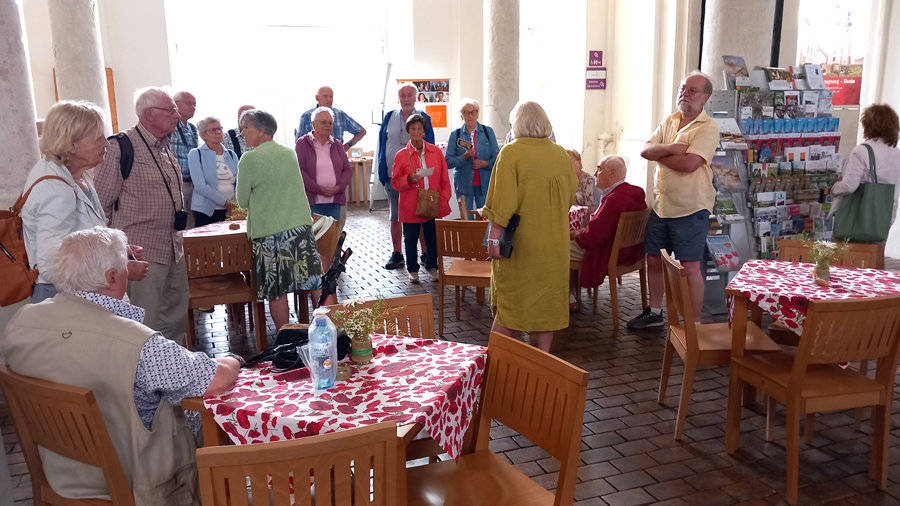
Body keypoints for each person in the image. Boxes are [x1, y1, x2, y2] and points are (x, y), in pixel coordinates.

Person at [3, 226, 241, 505]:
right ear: (112, 277)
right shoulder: (138, 344)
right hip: (136, 484)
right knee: (213, 416)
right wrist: (234, 359)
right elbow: (218, 379)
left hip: (59, 472)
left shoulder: (22, 323)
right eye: (125, 264)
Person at [21, 100, 148, 303]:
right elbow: (50, 265)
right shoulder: (54, 189)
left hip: (83, 295)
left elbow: (81, 237)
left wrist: (114, 252)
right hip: (64, 301)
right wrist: (121, 268)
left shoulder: (77, 174)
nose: (106, 143)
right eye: (98, 138)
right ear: (72, 144)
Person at [95, 86, 191, 346]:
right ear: (149, 113)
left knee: (175, 318)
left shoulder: (165, 147)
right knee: (144, 325)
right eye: (171, 109)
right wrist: (118, 254)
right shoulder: (120, 147)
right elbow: (100, 205)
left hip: (173, 248)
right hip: (141, 252)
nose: (177, 114)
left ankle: (173, 369)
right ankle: (144, 372)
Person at [627, 71, 719, 330]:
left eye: (692, 90)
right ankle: (655, 313)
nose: (684, 93)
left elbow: (690, 164)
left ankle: (694, 325)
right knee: (653, 260)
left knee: (689, 267)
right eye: (682, 88)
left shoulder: (707, 128)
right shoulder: (670, 121)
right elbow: (645, 150)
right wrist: (672, 149)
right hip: (661, 207)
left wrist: (659, 153)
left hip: (690, 208)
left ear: (705, 97)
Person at [483, 101, 578, 352]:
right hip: (554, 245)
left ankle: (496, 362)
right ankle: (542, 359)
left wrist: (492, 241)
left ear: (517, 123)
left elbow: (502, 204)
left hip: (521, 245)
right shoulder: (560, 153)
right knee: (546, 304)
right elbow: (570, 196)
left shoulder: (511, 153)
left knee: (510, 305)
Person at [236, 109, 324, 332]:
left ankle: (286, 339)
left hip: (269, 233)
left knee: (276, 290)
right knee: (315, 282)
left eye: (245, 127)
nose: (242, 132)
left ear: (261, 131)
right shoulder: (288, 153)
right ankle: (329, 331)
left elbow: (242, 201)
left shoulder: (248, 159)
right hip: (299, 228)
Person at [569, 156, 647, 312]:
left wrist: (577, 234)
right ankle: (571, 293)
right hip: (631, 252)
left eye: (599, 168)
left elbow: (593, 238)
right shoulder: (633, 193)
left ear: (612, 173)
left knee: (557, 248)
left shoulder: (615, 199)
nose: (595, 173)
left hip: (610, 254)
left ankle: (568, 296)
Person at [378, 82, 435, 270]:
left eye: (410, 95)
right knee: (395, 216)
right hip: (394, 177)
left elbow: (431, 147)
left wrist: (427, 175)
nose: (406, 99)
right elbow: (382, 144)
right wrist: (382, 171)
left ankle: (425, 254)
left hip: (419, 178)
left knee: (421, 215)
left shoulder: (424, 118)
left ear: (416, 97)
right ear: (398, 98)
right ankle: (397, 254)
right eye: (403, 95)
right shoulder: (389, 117)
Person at [390, 114, 452, 283]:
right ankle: (413, 270)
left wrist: (443, 199)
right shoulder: (401, 155)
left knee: (432, 238)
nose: (416, 132)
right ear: (408, 131)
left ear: (424, 131)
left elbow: (444, 179)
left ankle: (433, 267)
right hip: (410, 204)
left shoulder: (436, 152)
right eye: (413, 128)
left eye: (419, 128)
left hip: (432, 202)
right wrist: (408, 179)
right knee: (410, 239)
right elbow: (395, 182)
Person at [831, 103, 900, 228]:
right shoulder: (896, 152)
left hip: (857, 218)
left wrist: (834, 188)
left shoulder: (862, 151)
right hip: (883, 217)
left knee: (845, 242)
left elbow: (849, 186)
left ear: (868, 125)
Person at [296, 107, 353, 222]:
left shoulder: (337, 144)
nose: (327, 125)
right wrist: (318, 189)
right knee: (315, 232)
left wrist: (339, 187)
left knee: (332, 232)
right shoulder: (302, 143)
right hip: (312, 201)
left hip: (335, 200)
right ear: (313, 124)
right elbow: (299, 171)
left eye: (330, 123)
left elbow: (347, 170)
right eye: (323, 122)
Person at [446, 99, 499, 214]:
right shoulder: (455, 134)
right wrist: (464, 157)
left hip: (485, 185)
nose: (470, 116)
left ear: (478, 114)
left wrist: (485, 163)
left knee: (484, 218)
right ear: (461, 115)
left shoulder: (488, 132)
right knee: (466, 219)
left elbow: (497, 158)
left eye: (473, 112)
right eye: (466, 112)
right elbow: (448, 162)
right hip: (463, 185)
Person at [188, 117, 239, 227]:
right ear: (204, 135)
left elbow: (239, 181)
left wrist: (234, 201)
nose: (218, 132)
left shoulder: (231, 154)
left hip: (231, 209)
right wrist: (225, 202)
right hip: (206, 211)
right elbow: (200, 186)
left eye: (219, 128)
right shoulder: (196, 154)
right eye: (213, 130)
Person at [295, 86, 367, 151]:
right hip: (314, 157)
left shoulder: (340, 115)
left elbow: (362, 132)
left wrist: (347, 145)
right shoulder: (306, 116)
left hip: (336, 156)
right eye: (325, 96)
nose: (329, 99)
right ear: (317, 98)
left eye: (331, 96)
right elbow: (298, 143)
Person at [168, 91, 199, 229]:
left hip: (192, 183)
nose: (193, 107)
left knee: (191, 225)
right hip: (174, 184)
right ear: (175, 104)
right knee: (177, 225)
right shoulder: (169, 126)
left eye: (195, 104)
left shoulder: (192, 128)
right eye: (188, 103)